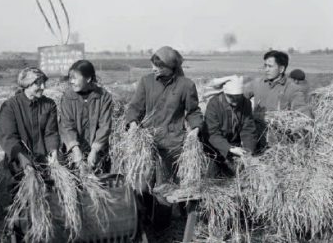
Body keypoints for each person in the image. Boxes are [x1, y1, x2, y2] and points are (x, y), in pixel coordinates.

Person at [125, 46, 203, 231]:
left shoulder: (186, 85)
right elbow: (135, 107)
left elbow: (193, 111)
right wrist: (133, 123)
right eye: (153, 65)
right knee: (142, 185)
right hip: (147, 143)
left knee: (164, 190)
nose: (154, 69)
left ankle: (161, 230)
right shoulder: (146, 82)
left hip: (172, 145)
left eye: (159, 66)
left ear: (171, 67)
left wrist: (196, 128)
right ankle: (141, 223)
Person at [0, 67, 60, 241]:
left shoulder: (49, 105)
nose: (42, 87)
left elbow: (51, 133)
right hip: (19, 166)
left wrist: (53, 152)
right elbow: (9, 139)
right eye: (37, 84)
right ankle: (17, 236)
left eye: (43, 83)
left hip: (43, 164)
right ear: (25, 85)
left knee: (46, 204)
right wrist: (26, 164)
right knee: (21, 207)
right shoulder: (10, 106)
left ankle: (43, 235)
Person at [59, 60, 113, 173]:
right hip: (74, 153)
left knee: (98, 181)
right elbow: (66, 125)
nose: (71, 82)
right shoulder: (68, 97)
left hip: (98, 152)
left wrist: (95, 150)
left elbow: (105, 125)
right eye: (70, 78)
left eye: (75, 78)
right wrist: (75, 148)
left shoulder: (103, 97)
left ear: (88, 79)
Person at [204, 75, 258, 176]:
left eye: (238, 97)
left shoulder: (245, 103)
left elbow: (248, 129)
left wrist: (248, 151)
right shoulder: (214, 104)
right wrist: (230, 148)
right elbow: (212, 133)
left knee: (242, 174)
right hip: (216, 146)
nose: (235, 100)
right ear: (225, 93)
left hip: (235, 144)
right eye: (231, 97)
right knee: (213, 177)